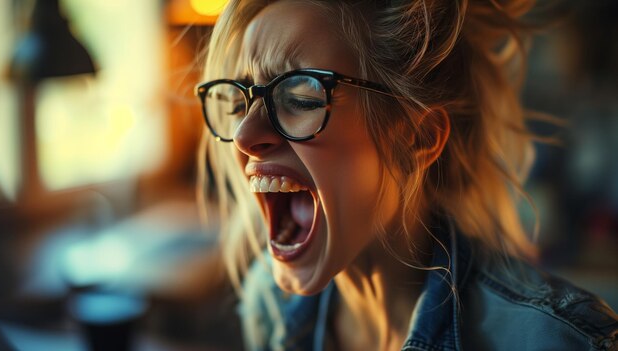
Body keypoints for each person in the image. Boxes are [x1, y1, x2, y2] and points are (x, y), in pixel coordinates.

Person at [195, 0, 618, 350]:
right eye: (238, 102)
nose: (244, 134)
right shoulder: (269, 304)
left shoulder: (557, 342)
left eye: (301, 98)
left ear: (418, 137)